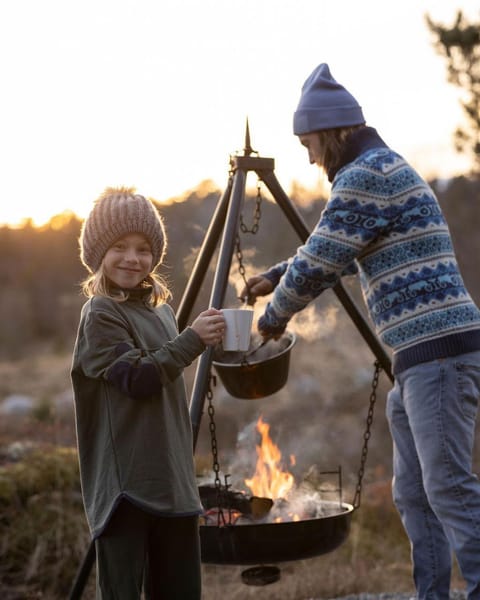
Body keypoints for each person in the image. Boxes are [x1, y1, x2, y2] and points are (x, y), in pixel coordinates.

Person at [242, 63, 480, 598]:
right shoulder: (377, 171)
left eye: (308, 143)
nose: (308, 156)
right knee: (416, 494)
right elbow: (339, 253)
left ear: (329, 132)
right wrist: (273, 278)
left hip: (437, 355)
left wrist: (274, 316)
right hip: (418, 361)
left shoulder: (365, 175)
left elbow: (322, 260)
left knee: (449, 488)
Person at [71, 187, 225, 600]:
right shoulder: (101, 313)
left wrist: (205, 340)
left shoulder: (162, 312)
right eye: (119, 247)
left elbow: (167, 371)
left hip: (172, 479)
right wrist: (192, 341)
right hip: (127, 487)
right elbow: (135, 378)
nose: (132, 258)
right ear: (98, 253)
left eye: (142, 248)